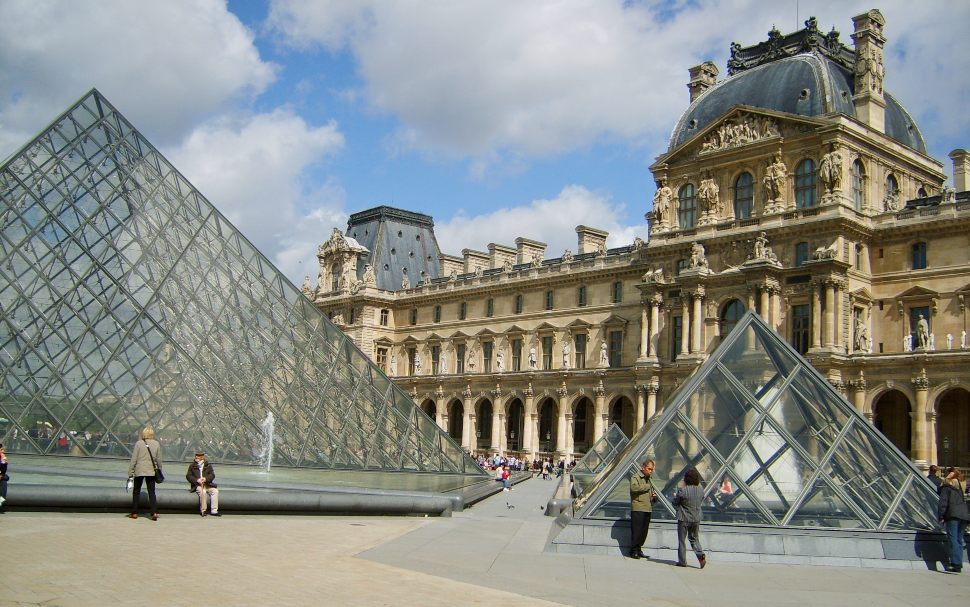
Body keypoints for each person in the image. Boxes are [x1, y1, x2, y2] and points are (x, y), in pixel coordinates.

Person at [673, 467, 707, 568]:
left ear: (686, 479)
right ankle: (700, 556)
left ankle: (682, 561)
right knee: (694, 538)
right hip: (696, 518)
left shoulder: (683, 490)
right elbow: (701, 500)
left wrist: (675, 497)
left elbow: (675, 502)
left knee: (682, 540)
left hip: (683, 518)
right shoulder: (701, 490)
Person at [128, 426, 162, 521]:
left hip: (139, 470)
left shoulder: (139, 443)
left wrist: (130, 471)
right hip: (151, 471)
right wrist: (160, 469)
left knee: (136, 492)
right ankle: (154, 512)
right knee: (152, 492)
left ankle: (134, 512)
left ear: (144, 433)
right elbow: (159, 459)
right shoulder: (156, 444)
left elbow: (134, 459)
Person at [938, 471, 969, 573]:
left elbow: (943, 502)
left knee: (953, 539)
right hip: (964, 515)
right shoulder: (958, 490)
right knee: (959, 540)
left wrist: (941, 515)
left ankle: (955, 564)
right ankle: (958, 563)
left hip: (953, 515)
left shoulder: (946, 489)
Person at [628, 459, 657, 559]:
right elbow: (633, 488)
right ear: (643, 467)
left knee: (644, 532)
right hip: (638, 507)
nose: (650, 471)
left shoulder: (649, 479)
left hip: (648, 508)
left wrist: (654, 497)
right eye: (649, 469)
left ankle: (639, 549)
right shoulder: (635, 477)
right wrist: (647, 486)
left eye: (652, 469)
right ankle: (633, 551)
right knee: (637, 531)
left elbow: (650, 491)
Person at [185, 451, 221, 517]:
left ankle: (214, 511)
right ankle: (203, 510)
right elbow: (188, 476)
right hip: (197, 485)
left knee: (215, 491)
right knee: (203, 492)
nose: (196, 457)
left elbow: (212, 475)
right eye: (196, 455)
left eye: (198, 456)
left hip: (207, 484)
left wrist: (205, 479)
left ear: (202, 457)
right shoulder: (192, 466)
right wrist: (197, 480)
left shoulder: (208, 465)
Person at [0, 444, 8, 508]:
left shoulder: (2, 459)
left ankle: (1, 499)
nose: (3, 451)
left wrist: (4, 463)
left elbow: (3, 472)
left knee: (4, 480)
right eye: (1, 449)